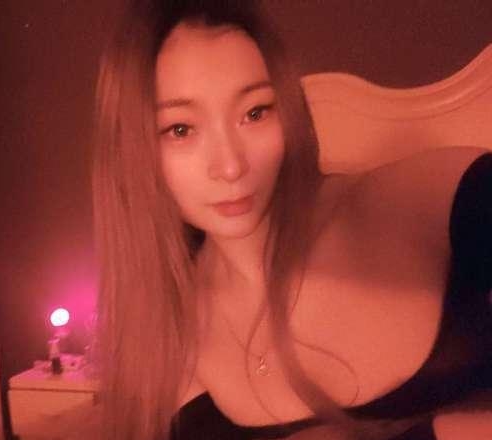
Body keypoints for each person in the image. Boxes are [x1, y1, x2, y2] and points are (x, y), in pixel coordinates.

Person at [58, 1, 492, 439]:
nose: (231, 166)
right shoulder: (165, 331)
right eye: (181, 129)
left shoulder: (418, 201)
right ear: (133, 150)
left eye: (255, 113)